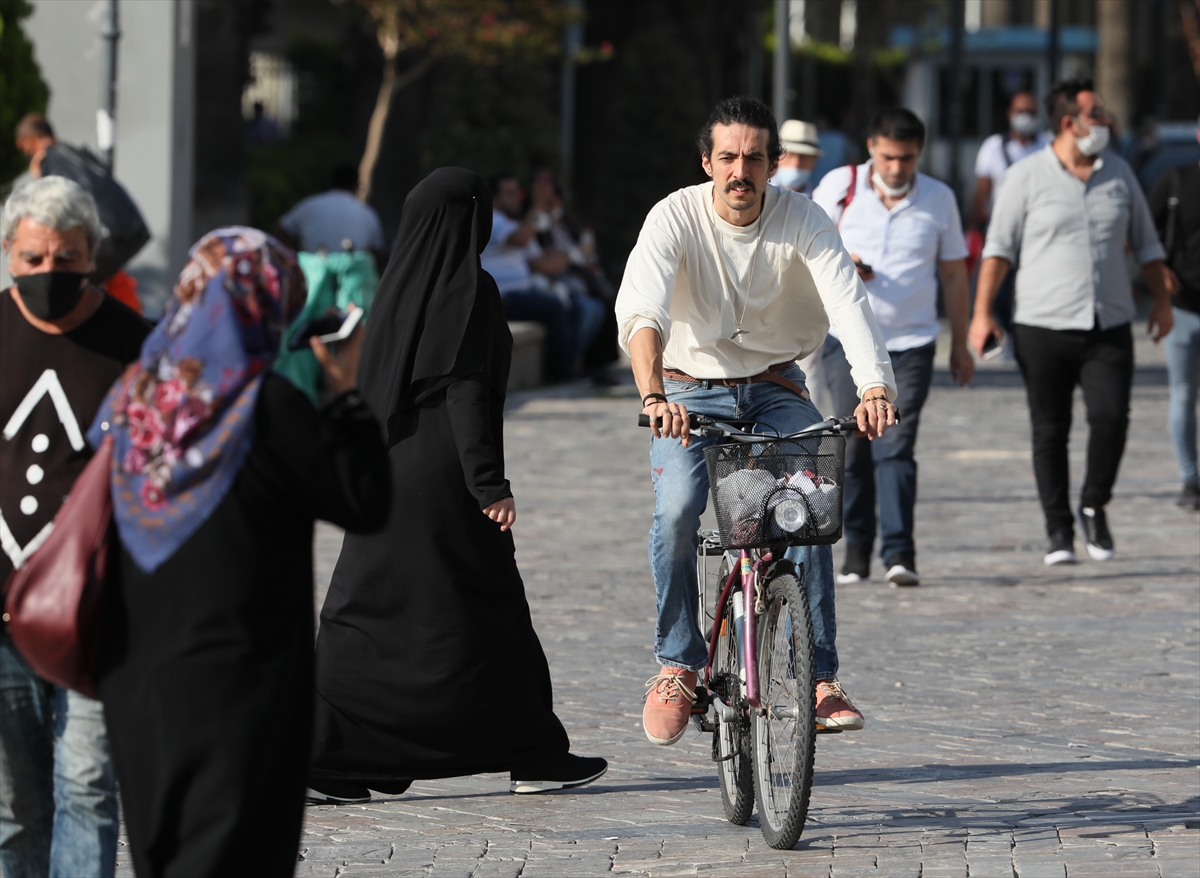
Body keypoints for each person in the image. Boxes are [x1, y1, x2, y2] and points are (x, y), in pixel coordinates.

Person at [91, 227, 390, 876]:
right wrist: (342, 390)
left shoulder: (134, 402)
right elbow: (365, 502)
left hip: (135, 675)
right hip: (240, 679)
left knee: (164, 854)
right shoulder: (267, 405)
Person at [309, 168, 607, 803]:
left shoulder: (397, 288)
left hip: (390, 474)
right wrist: (488, 484)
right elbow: (467, 397)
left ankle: (337, 757)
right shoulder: (469, 289)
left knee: (368, 611)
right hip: (446, 481)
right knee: (491, 609)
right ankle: (531, 753)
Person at [615, 97, 898, 746]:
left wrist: (874, 385)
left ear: (773, 164)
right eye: (729, 157)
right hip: (686, 392)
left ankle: (819, 678)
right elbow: (643, 314)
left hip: (774, 387)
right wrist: (655, 393)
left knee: (811, 499)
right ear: (707, 161)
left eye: (754, 158)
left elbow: (847, 301)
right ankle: (679, 663)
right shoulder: (674, 218)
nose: (741, 170)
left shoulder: (804, 219)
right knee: (679, 508)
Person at [0, 176, 149, 878]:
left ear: (93, 255)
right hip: (1, 613)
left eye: (66, 258)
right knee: (12, 803)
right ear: (8, 254)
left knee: (87, 787)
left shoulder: (135, 346)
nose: (48, 274)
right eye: (33, 259)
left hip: (100, 609)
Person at [970, 79, 1175, 566]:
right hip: (1042, 325)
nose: (1106, 123)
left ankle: (1093, 503)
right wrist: (980, 314)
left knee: (1111, 419)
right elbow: (998, 251)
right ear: (1070, 123)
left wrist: (1162, 303)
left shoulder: (1120, 174)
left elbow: (1147, 246)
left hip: (1109, 324)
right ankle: (1058, 530)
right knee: (1050, 429)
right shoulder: (1024, 177)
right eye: (1097, 115)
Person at [812, 108, 973, 587]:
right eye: (888, 156)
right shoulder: (838, 188)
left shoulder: (939, 198)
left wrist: (960, 342)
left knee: (897, 445)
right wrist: (845, 263)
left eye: (906, 158)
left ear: (918, 153)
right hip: (845, 340)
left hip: (911, 342)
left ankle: (900, 553)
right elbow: (808, 252)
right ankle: (857, 550)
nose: (897, 167)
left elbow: (953, 273)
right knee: (853, 444)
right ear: (871, 148)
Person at [14, 114, 146, 312]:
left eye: (24, 149)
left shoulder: (51, 158)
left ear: (29, 141)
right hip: (127, 233)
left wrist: (39, 177)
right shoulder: (75, 154)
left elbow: (54, 206)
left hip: (104, 239)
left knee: (64, 297)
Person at [1148, 121, 1200, 511]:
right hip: (1182, 307)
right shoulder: (1176, 181)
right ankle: (1190, 479)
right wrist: (1159, 271)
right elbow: (1142, 234)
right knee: (1183, 393)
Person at [481, 173, 576, 380]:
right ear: (494, 198)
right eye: (510, 193)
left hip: (523, 291)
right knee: (554, 307)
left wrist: (574, 254)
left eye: (518, 192)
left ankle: (579, 366)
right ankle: (562, 373)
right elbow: (520, 239)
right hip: (502, 297)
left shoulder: (511, 222)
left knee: (573, 302)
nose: (517, 197)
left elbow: (540, 260)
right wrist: (539, 206)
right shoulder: (490, 219)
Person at [278, 163, 388, 270]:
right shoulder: (367, 213)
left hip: (313, 277)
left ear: (331, 182)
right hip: (351, 280)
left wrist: (292, 258)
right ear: (357, 187)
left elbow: (279, 232)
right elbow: (377, 252)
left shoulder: (309, 205)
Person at [968, 91, 1047, 232]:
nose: (1026, 117)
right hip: (1001, 227)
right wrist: (972, 229)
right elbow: (982, 191)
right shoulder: (993, 146)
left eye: (1031, 112)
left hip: (1039, 227)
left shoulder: (1048, 145)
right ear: (1010, 113)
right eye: (1020, 112)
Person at [770, 119, 823, 196]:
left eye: (803, 157)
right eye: (789, 155)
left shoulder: (821, 200)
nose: (796, 163)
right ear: (776, 156)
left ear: (814, 160)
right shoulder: (758, 194)